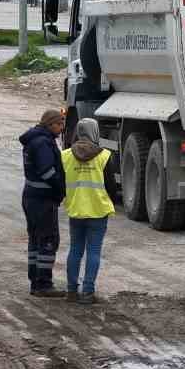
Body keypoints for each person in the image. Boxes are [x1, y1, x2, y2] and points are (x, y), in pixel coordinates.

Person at [61, 118, 119, 304]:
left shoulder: (66, 155)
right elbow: (111, 186)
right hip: (98, 211)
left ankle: (71, 291)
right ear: (95, 132)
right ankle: (87, 293)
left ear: (78, 132)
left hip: (76, 209)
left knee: (75, 250)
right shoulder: (104, 156)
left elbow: (61, 183)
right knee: (93, 252)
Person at [19, 109, 67, 297]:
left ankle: (35, 281)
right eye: (60, 124)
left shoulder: (35, 140)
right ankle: (43, 284)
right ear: (51, 124)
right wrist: (60, 190)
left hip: (32, 197)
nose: (62, 128)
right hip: (42, 199)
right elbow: (48, 172)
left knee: (35, 239)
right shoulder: (43, 143)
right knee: (48, 240)